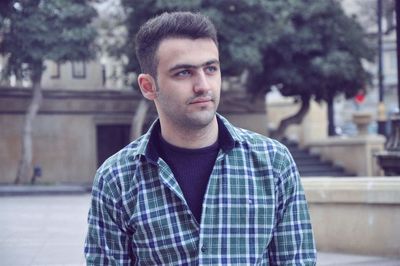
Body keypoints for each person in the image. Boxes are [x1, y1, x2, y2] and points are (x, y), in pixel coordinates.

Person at [85, 11, 317, 265]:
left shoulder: (274, 163)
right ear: (148, 86)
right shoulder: (117, 178)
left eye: (211, 68)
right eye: (184, 72)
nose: (204, 85)